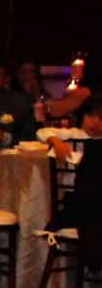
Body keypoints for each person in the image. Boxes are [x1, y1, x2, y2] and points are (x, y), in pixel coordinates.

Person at [49, 95, 102, 272]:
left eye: (101, 118)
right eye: (90, 116)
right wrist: (55, 141)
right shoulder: (74, 136)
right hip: (77, 202)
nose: (95, 123)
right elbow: (42, 132)